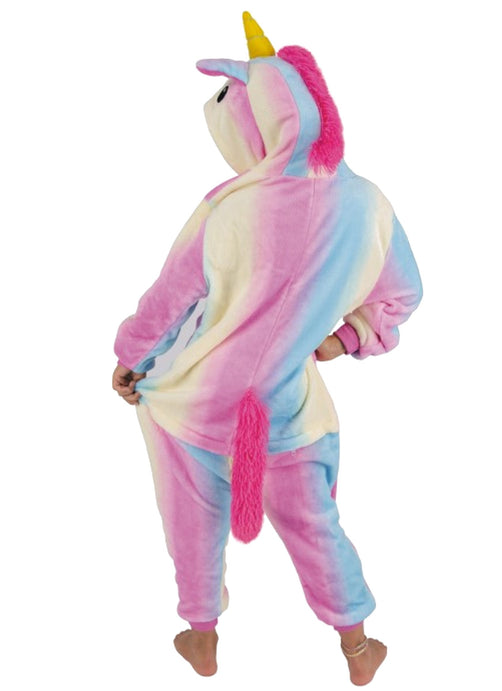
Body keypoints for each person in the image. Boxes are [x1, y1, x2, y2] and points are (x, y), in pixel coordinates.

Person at [112, 12, 422, 685]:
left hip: (195, 405)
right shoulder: (368, 205)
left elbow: (169, 300)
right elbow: (402, 294)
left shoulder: (228, 206)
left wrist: (131, 356)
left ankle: (201, 635)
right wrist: (346, 338)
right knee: (315, 525)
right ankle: (357, 647)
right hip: (289, 410)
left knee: (191, 518)